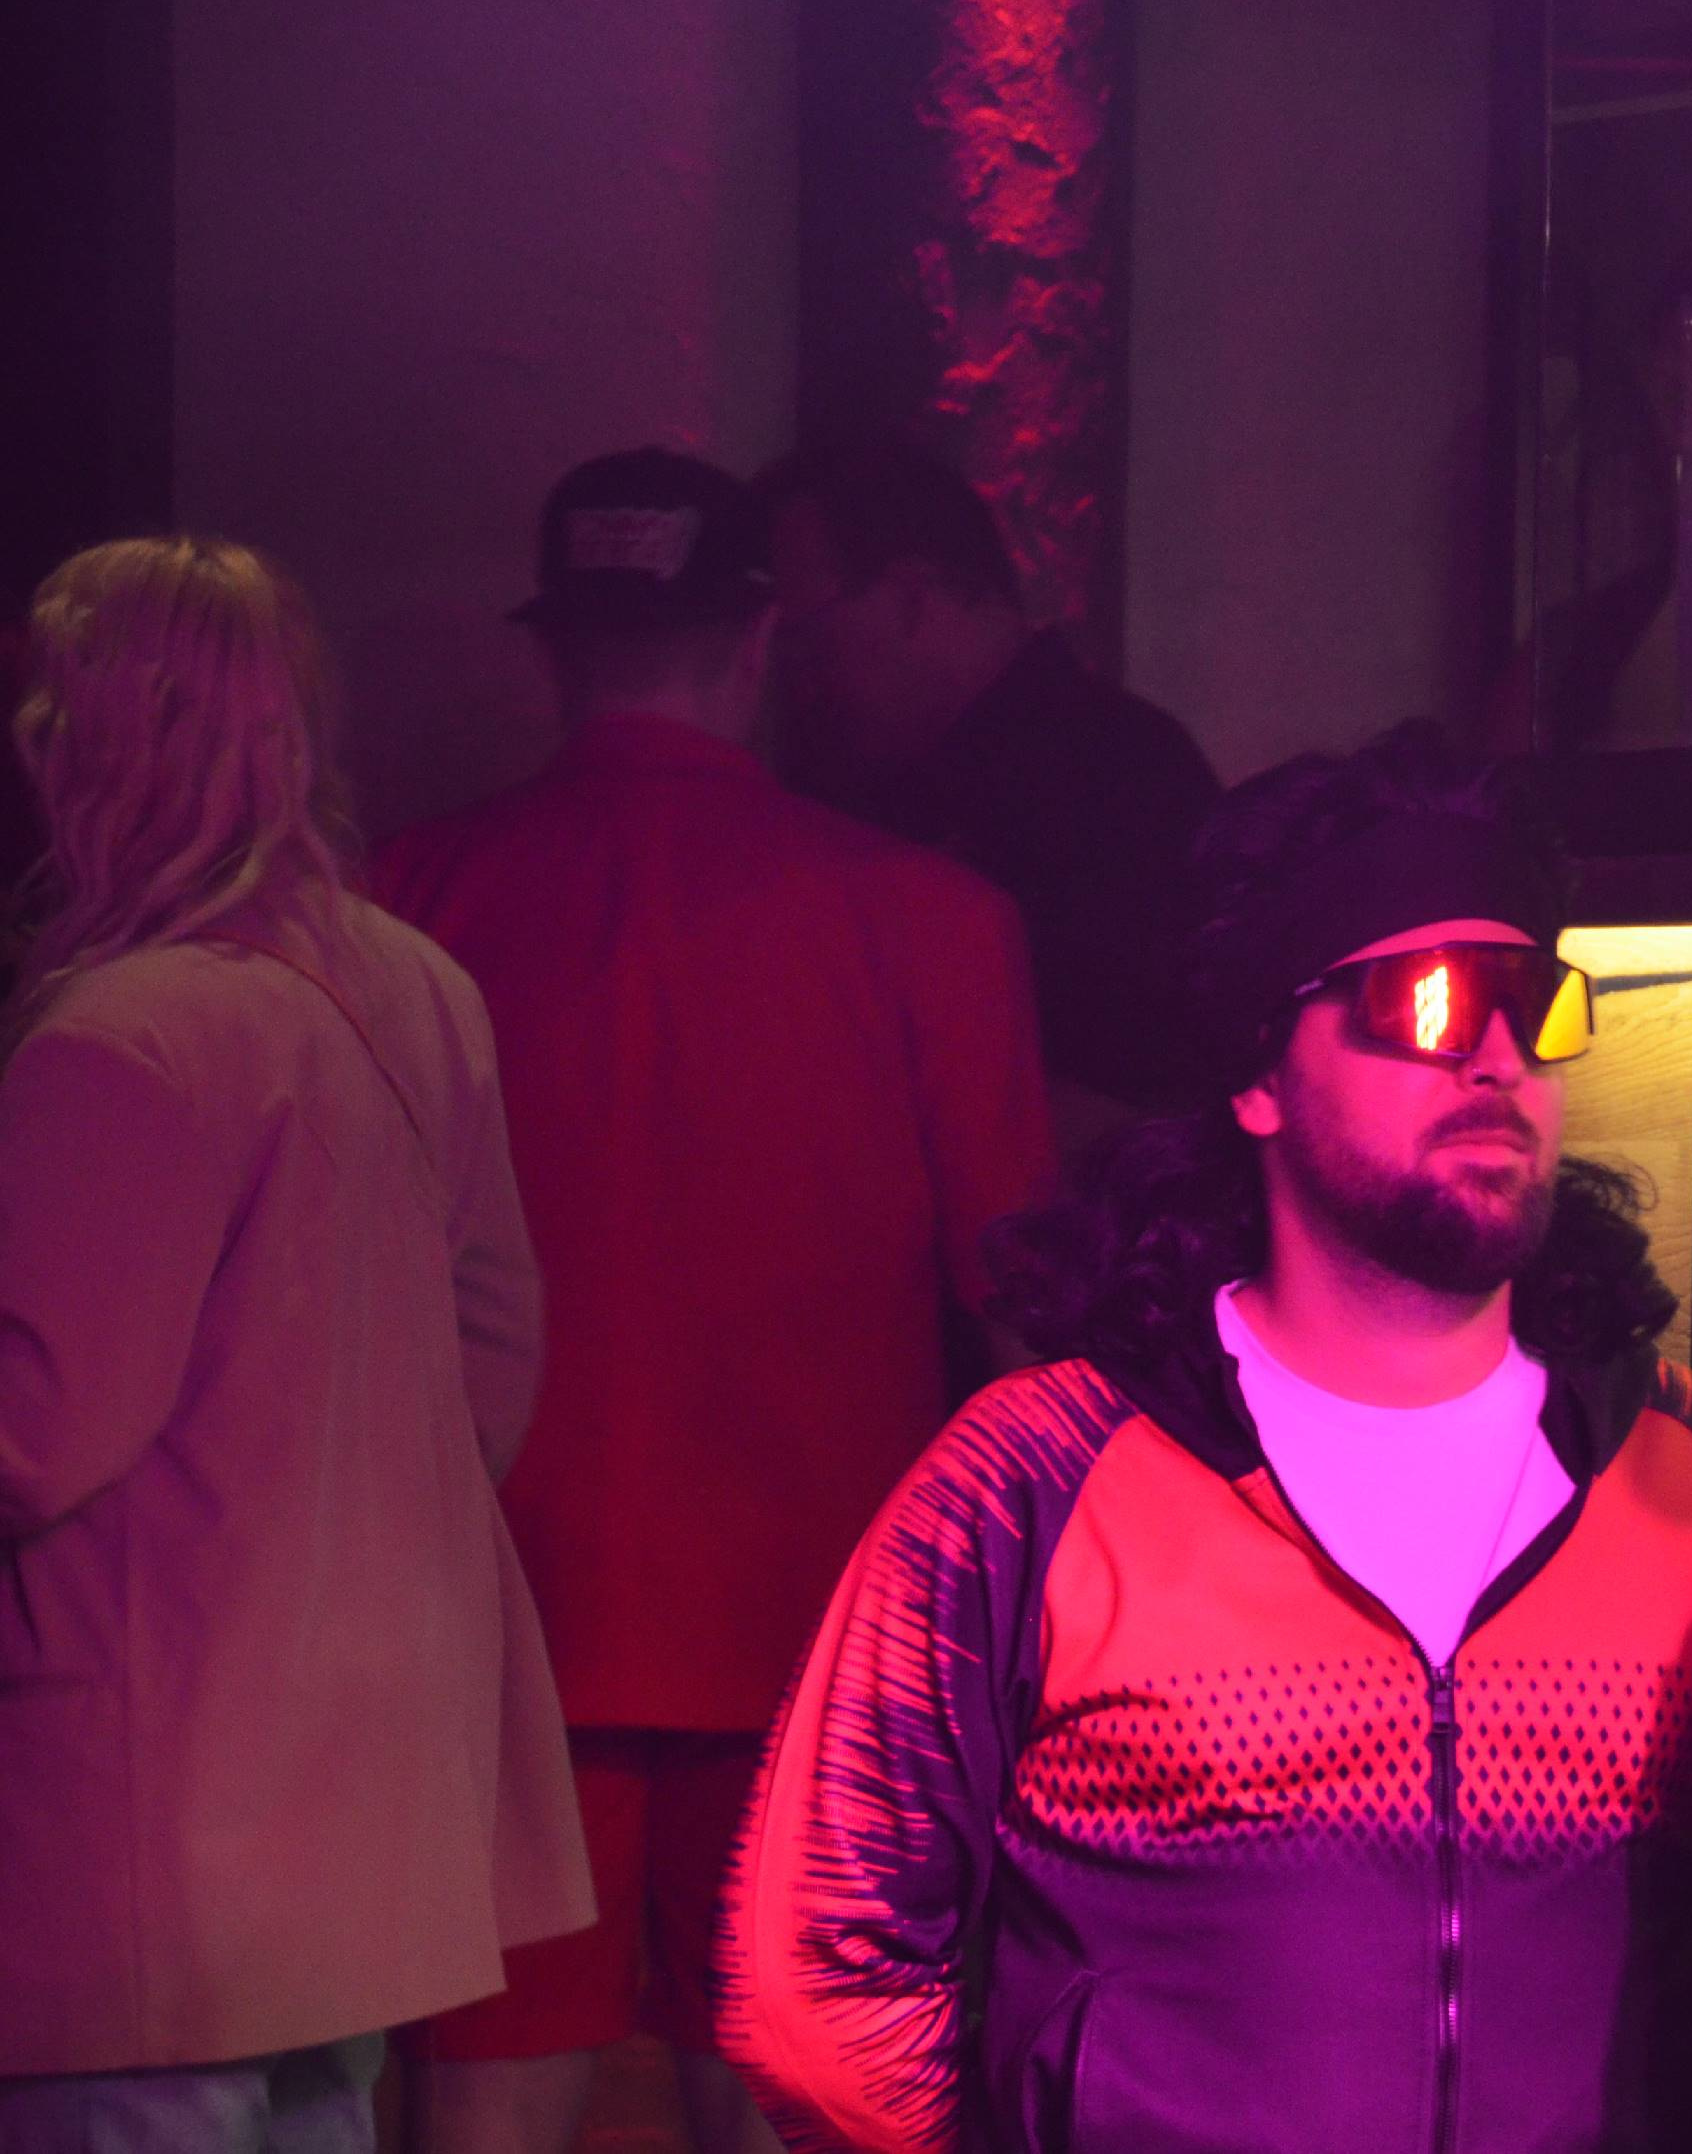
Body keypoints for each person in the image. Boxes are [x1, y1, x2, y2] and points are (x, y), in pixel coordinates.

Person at [719, 727, 1692, 2154]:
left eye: (1535, 1005)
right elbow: (816, 1968)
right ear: (1259, 1076)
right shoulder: (1036, 1477)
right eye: (1426, 999)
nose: (1495, 1055)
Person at [373, 450, 1055, 2154]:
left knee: (483, 2113)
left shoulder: (405, 908)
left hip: (500, 1622)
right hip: (811, 1628)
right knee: (787, 2101)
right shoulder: (934, 922)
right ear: (757, 643)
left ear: (555, 652)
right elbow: (1021, 1315)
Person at [0, 538, 589, 2150]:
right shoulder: (418, 988)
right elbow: (493, 1362)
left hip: (135, 1841)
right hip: (355, 1817)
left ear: (83, 746)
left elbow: (33, 1432)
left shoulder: (124, 1037)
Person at [759, 441, 1221, 1134]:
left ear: (911, 598)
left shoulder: (1120, 782)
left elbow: (1152, 1103)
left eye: (805, 637)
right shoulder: (858, 780)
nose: (798, 679)